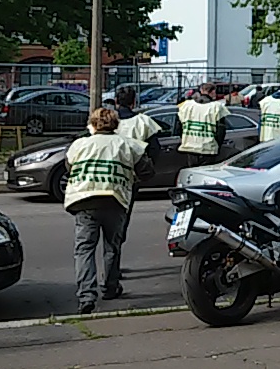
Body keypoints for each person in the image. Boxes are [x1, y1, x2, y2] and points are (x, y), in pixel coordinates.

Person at [64, 107, 154, 314]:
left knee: (84, 249)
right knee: (112, 246)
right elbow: (147, 171)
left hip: (84, 201)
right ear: (116, 124)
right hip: (115, 199)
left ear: (93, 124)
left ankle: (86, 295)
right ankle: (110, 287)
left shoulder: (80, 145)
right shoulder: (129, 145)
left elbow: (70, 167)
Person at [111, 85, 164, 256]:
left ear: (116, 102)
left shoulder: (106, 120)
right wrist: (145, 170)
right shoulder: (143, 122)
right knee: (122, 219)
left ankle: (110, 260)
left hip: (106, 176)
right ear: (134, 102)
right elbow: (155, 149)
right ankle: (114, 261)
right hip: (130, 178)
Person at [176, 82, 228, 167]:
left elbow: (179, 128)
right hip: (208, 148)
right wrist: (217, 144)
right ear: (213, 92)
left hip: (190, 147)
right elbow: (221, 131)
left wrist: (186, 138)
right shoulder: (217, 107)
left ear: (201, 90)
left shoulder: (186, 106)